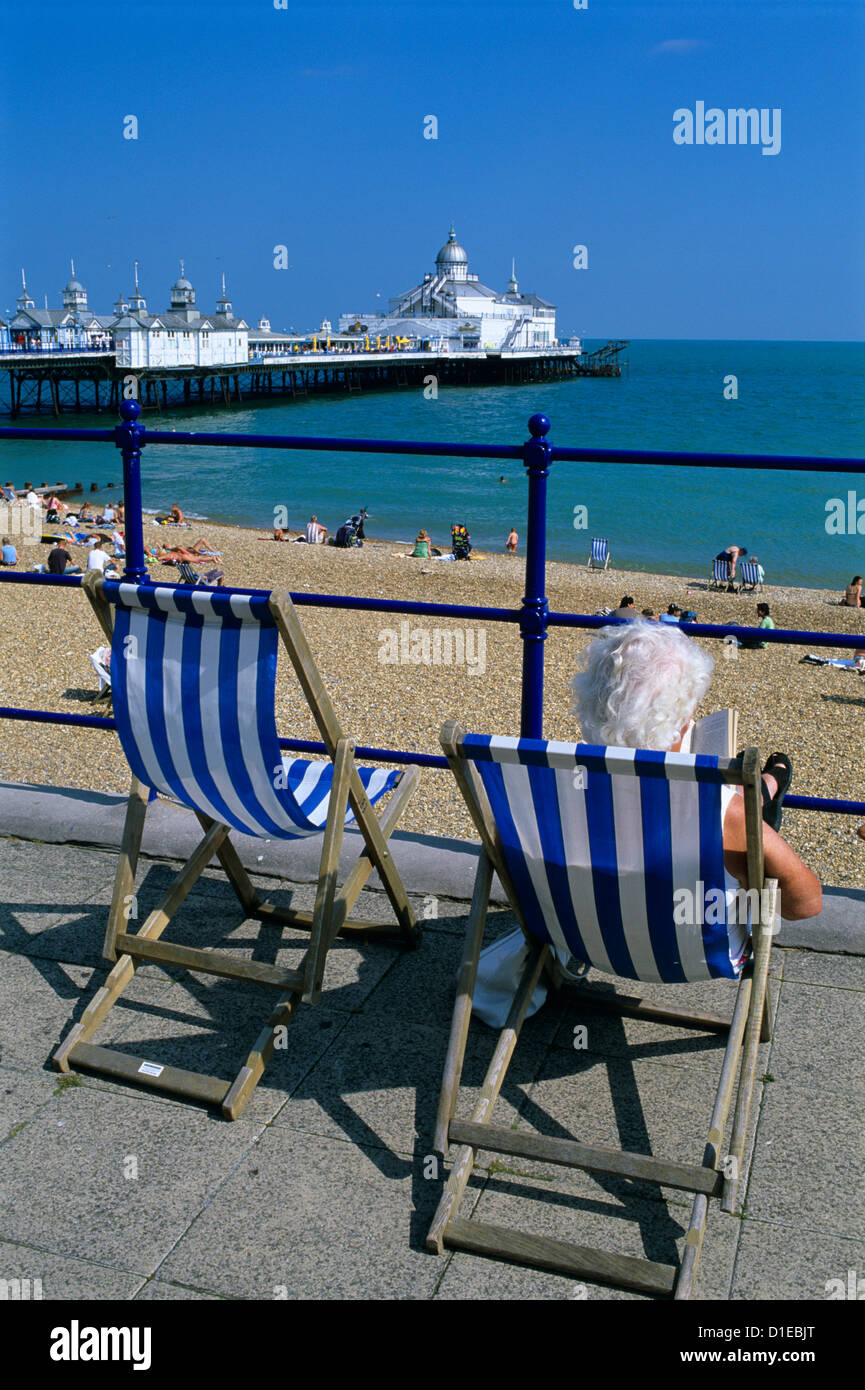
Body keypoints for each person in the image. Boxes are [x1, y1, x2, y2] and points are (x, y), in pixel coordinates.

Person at [570, 621, 822, 921]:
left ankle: (766, 787)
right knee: (740, 811)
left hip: (583, 931)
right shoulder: (718, 811)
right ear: (678, 715)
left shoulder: (553, 781)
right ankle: (766, 788)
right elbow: (804, 904)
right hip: (691, 951)